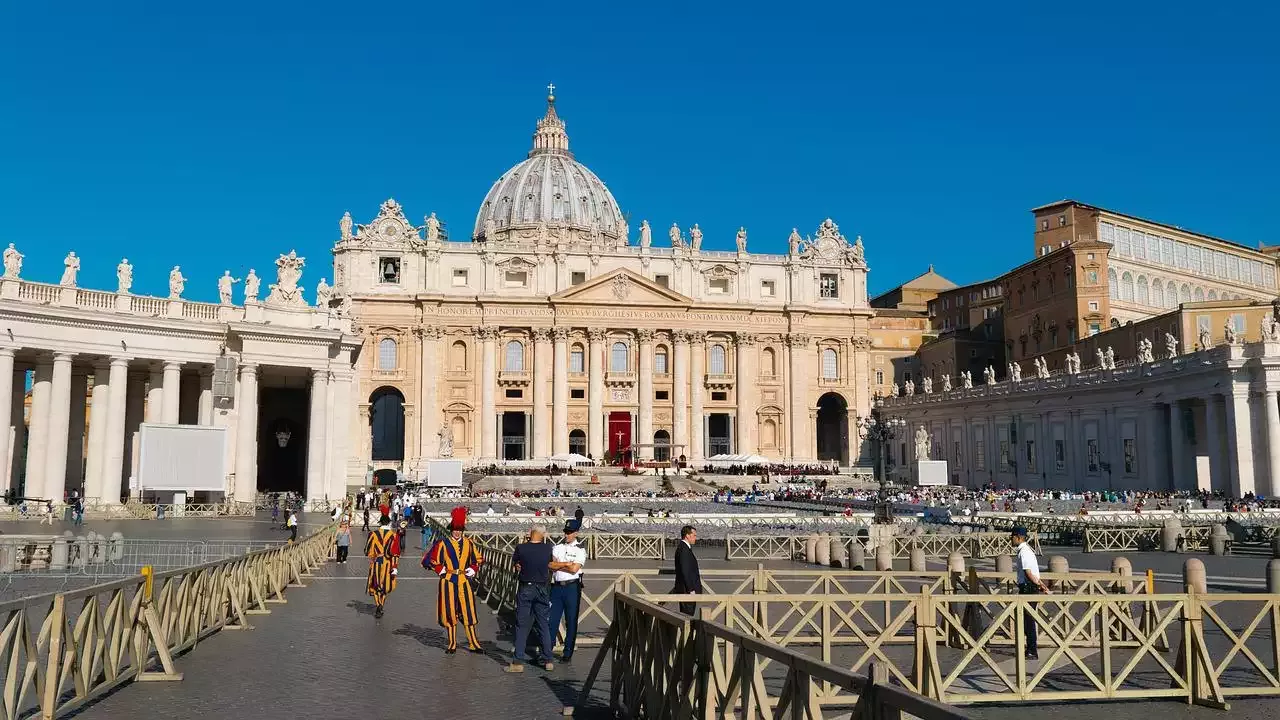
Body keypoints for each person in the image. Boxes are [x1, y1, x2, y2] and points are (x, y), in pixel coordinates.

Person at [425, 507, 484, 654]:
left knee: (468, 612)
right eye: (455, 529)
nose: (457, 532)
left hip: (464, 580)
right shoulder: (442, 544)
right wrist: (441, 570)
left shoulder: (469, 543)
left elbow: (478, 559)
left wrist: (473, 569)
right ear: (451, 530)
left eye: (459, 530)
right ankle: (452, 643)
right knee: (450, 612)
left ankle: (473, 643)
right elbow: (433, 561)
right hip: (449, 580)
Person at [510, 523, 556, 671]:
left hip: (526, 587)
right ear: (542, 534)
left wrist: (518, 565)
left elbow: (516, 564)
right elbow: (552, 562)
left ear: (531, 532)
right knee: (543, 624)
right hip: (542, 587)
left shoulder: (521, 548)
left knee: (522, 625)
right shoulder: (548, 548)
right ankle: (548, 659)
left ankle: (518, 661)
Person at [549, 519, 587, 662]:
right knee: (552, 620)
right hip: (557, 587)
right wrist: (566, 564)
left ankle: (568, 652)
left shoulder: (580, 549)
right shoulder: (557, 547)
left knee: (571, 621)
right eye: (566, 532)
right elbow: (551, 565)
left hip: (572, 587)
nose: (567, 535)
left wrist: (559, 565)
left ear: (576, 533)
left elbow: (574, 569)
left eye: (570, 533)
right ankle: (548, 651)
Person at [1012, 526, 1047, 660]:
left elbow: (1028, 573)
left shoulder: (1024, 552)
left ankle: (1032, 650)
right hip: (1029, 587)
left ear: (1019, 537)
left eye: (1013, 536)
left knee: (1028, 621)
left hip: (1028, 588)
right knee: (1027, 620)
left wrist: (1042, 586)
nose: (1011, 539)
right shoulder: (1026, 550)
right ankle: (1029, 648)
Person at [364, 514, 401, 618]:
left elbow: (367, 550)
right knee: (385, 586)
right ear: (389, 523)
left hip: (376, 562)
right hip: (388, 563)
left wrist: (373, 554)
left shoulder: (373, 534)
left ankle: (378, 604)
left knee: (375, 586)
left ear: (380, 523)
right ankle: (381, 604)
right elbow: (396, 553)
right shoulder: (393, 535)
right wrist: (395, 567)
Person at [673, 525, 702, 615]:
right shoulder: (684, 549)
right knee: (687, 616)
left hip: (685, 589)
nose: (695, 538)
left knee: (687, 615)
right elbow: (685, 570)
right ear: (687, 535)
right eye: (694, 535)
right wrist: (691, 589)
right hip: (687, 591)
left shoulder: (683, 548)